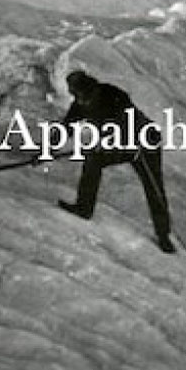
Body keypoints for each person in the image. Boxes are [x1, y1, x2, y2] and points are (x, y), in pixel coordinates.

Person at [57, 70, 174, 254]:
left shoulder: (113, 95)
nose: (83, 102)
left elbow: (125, 125)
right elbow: (64, 130)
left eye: (85, 97)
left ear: (92, 88)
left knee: (153, 185)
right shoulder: (79, 105)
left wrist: (105, 143)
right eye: (77, 97)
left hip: (144, 141)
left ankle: (163, 235)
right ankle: (84, 208)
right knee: (92, 161)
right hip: (119, 144)